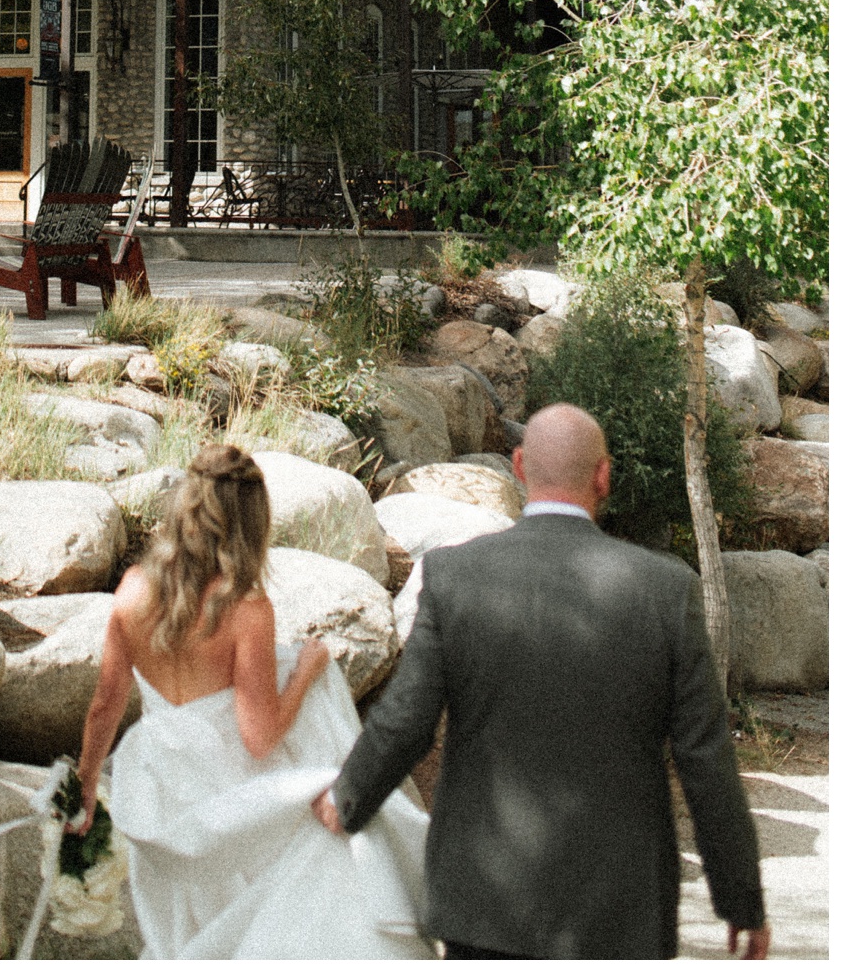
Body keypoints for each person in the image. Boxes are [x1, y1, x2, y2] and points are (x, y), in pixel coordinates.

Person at [315, 402, 768, 960]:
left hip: (485, 907)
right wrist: (741, 899)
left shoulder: (456, 577)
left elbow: (405, 721)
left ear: (521, 466)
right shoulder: (665, 590)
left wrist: (347, 798)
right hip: (619, 915)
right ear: (604, 476)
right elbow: (705, 760)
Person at [74, 442, 433, 958]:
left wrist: (86, 788)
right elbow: (260, 737)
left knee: (189, 933)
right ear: (251, 524)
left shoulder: (131, 589)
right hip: (228, 791)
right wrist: (307, 672)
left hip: (163, 787)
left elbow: (105, 704)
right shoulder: (246, 609)